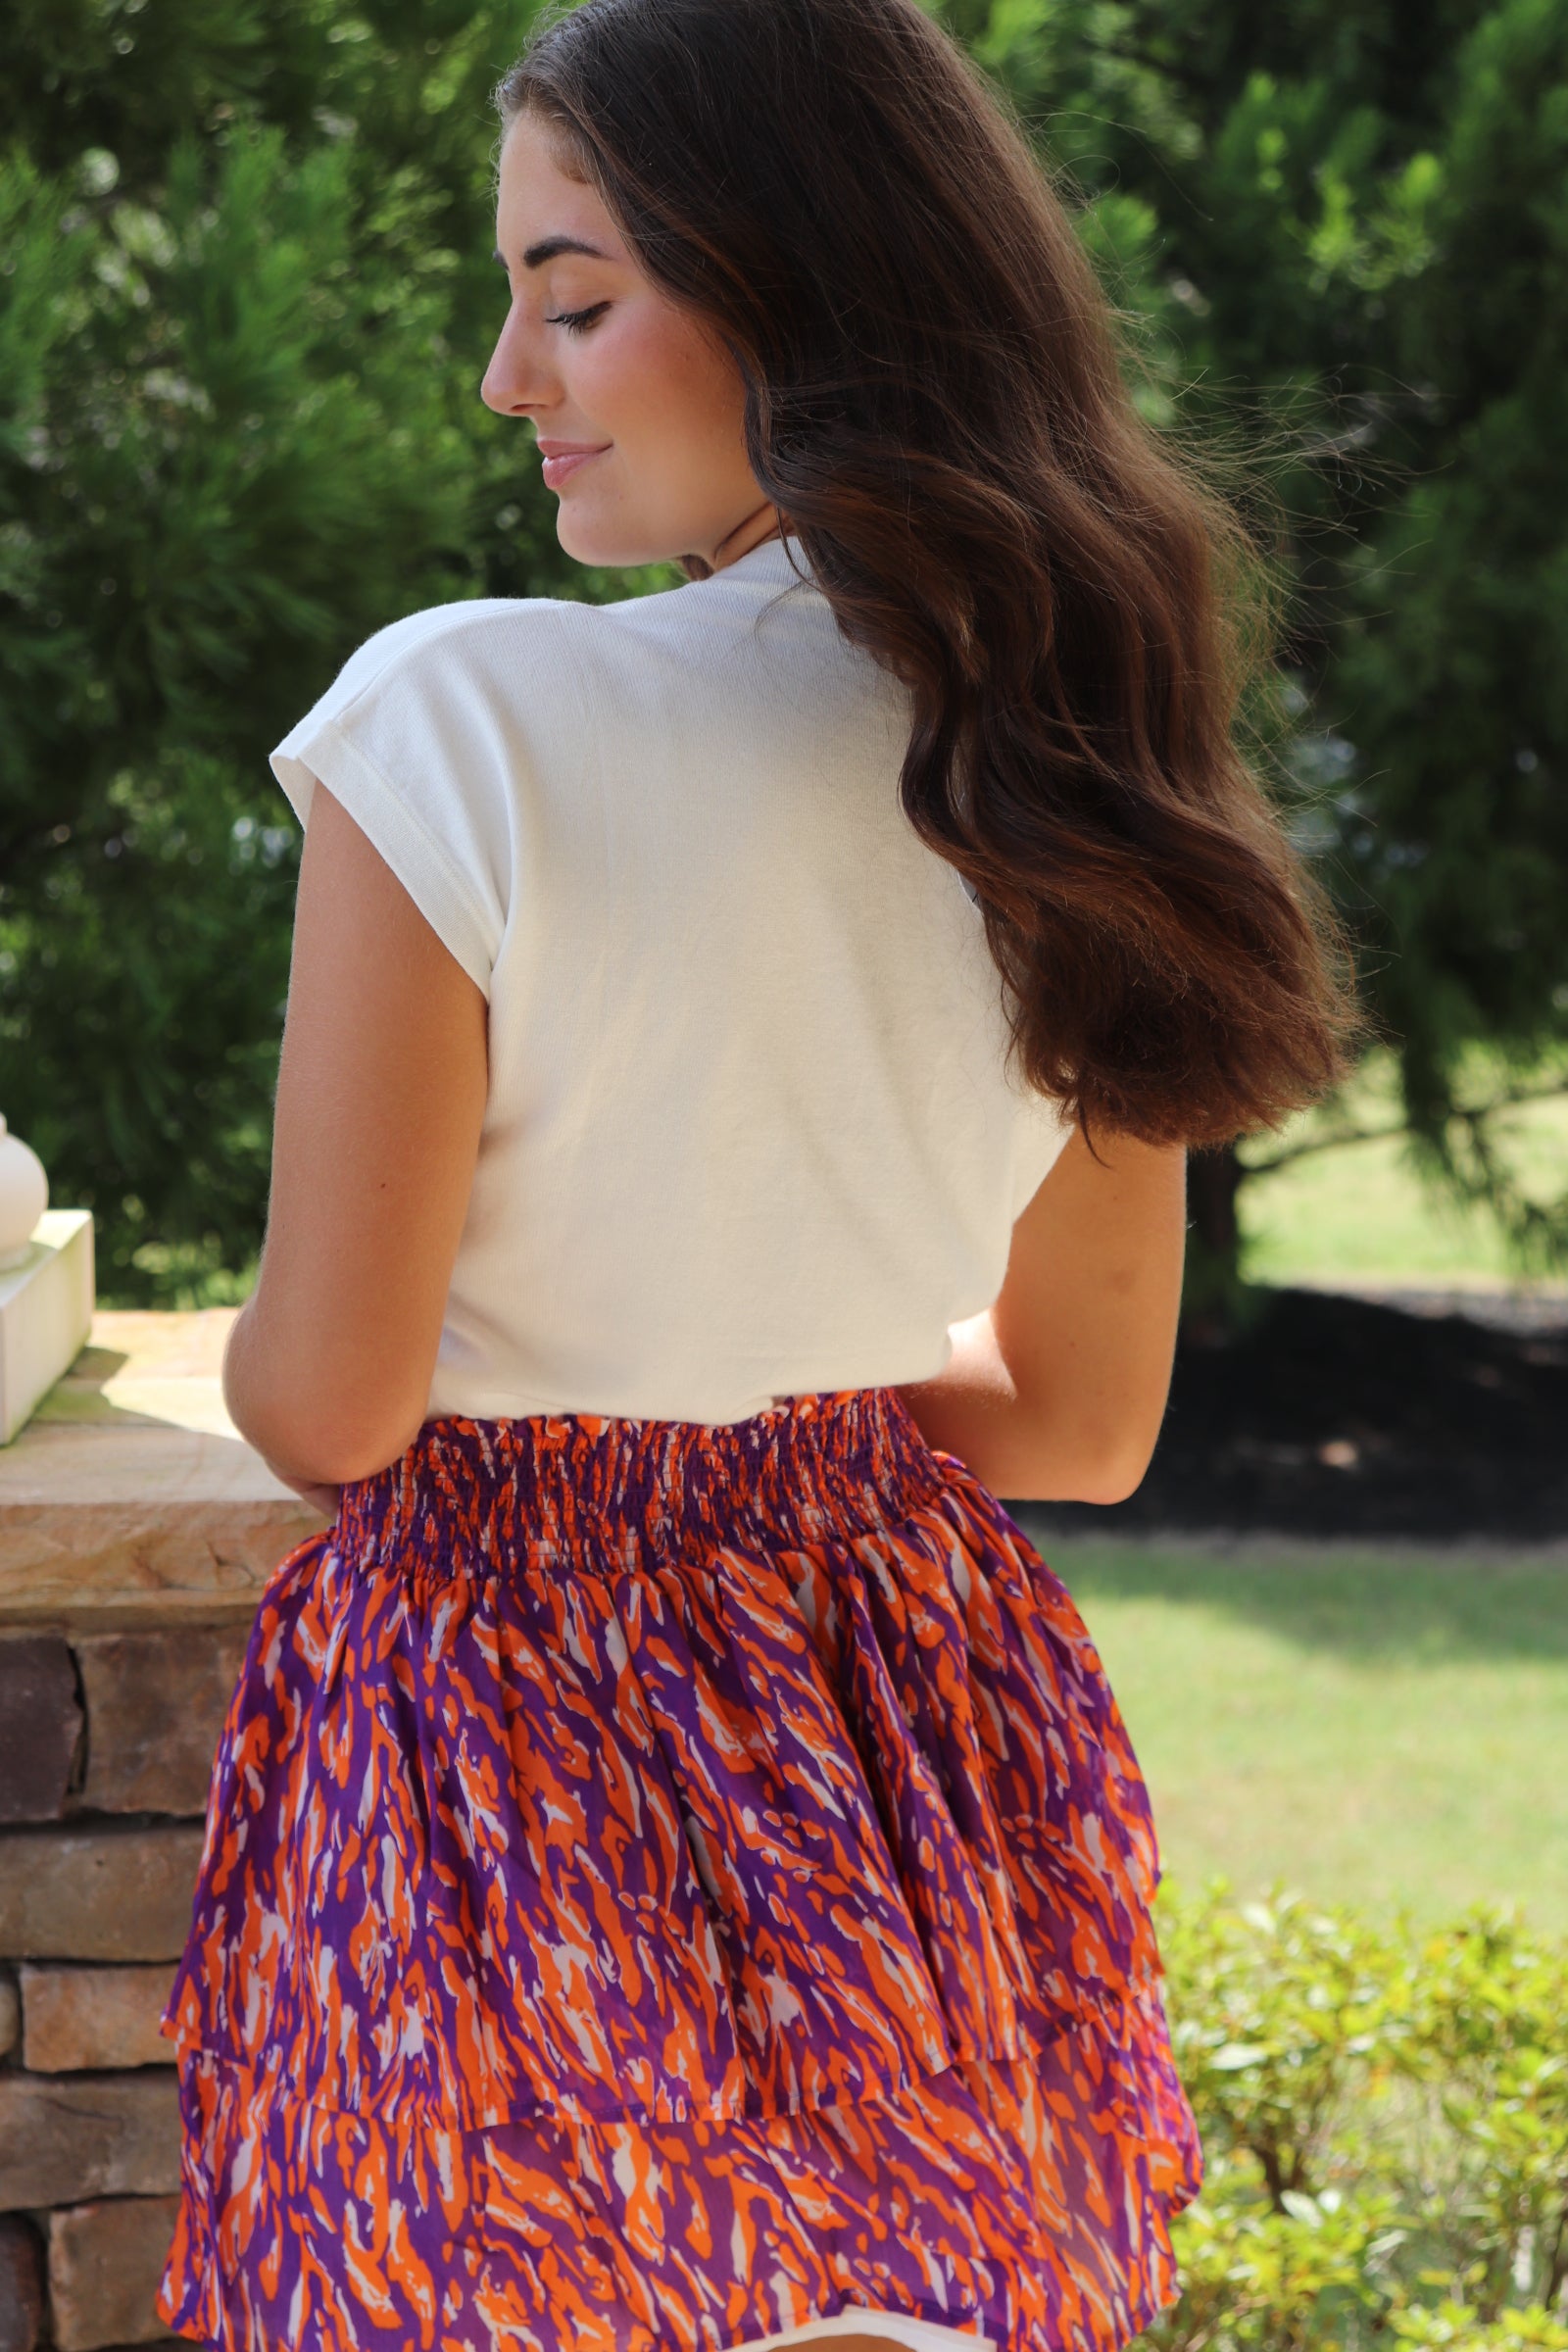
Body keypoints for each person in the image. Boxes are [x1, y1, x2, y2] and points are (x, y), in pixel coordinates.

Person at [155, 2, 1352, 2348]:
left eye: (573, 294)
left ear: (794, 284)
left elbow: (328, 1409)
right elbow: (1075, 1427)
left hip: (505, 1737)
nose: (509, 376)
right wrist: (765, 1407)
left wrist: (602, 1426)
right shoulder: (1073, 752)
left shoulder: (466, 718)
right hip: (904, 1717)